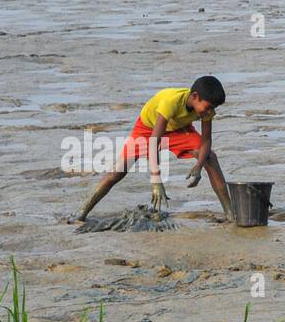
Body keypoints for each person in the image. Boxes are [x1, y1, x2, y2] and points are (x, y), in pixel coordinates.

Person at [74, 76, 232, 222]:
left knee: (209, 157)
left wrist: (198, 167)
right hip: (148, 129)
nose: (211, 112)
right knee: (117, 172)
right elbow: (153, 141)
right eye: (209, 107)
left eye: (214, 108)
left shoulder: (207, 110)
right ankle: (81, 213)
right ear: (195, 96)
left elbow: (206, 139)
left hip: (178, 129)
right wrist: (156, 181)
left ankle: (230, 214)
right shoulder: (171, 101)